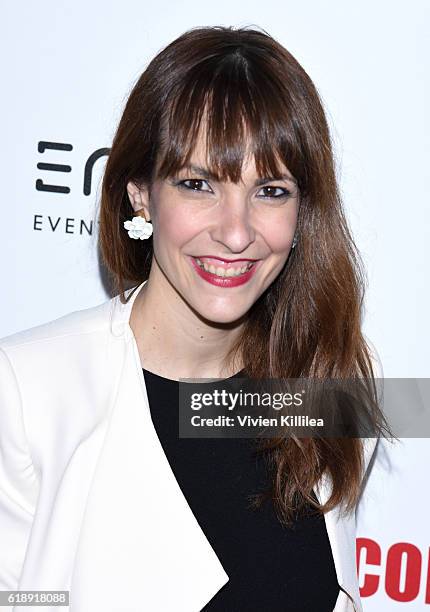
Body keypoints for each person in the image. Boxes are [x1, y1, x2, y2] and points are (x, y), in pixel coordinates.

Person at [0, 25, 386, 612]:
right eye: (198, 184)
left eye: (271, 191)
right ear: (139, 195)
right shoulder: (28, 390)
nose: (236, 233)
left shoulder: (335, 377)